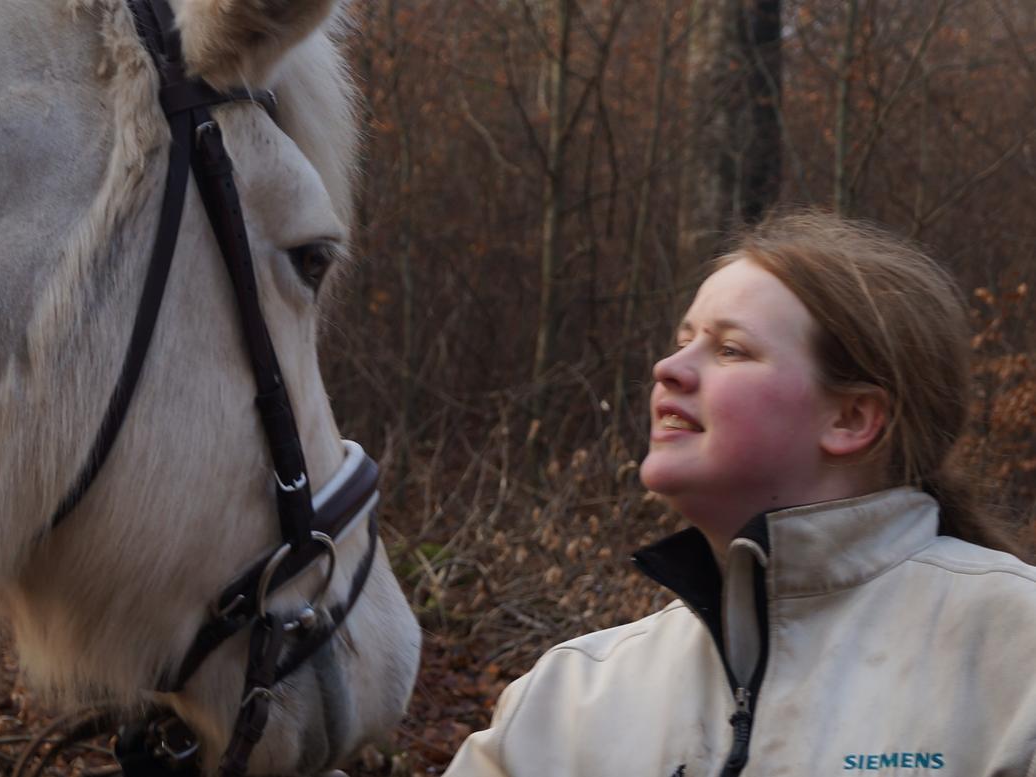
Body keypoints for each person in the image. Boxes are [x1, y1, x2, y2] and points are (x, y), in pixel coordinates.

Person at [442, 211, 1036, 776]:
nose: (668, 368)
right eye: (684, 339)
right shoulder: (569, 700)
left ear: (852, 419)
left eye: (730, 349)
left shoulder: (1014, 650)